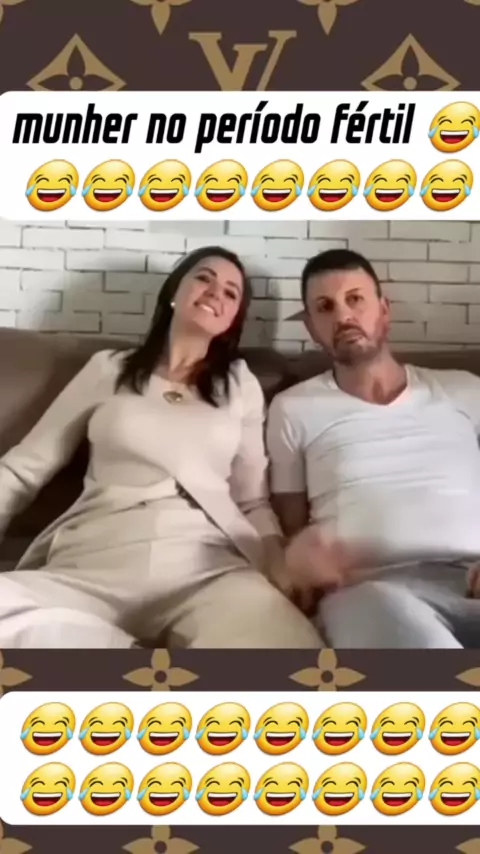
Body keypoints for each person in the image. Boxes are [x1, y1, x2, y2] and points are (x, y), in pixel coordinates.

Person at [0, 245, 322, 650]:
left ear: (232, 319)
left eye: (230, 292)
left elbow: (253, 501)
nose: (215, 292)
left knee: (286, 647)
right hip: (94, 560)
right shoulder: (108, 368)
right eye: (204, 278)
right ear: (174, 292)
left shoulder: (240, 385)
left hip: (205, 569)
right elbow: (23, 469)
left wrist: (278, 564)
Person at [266, 248, 480, 648]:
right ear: (311, 327)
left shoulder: (465, 390)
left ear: (384, 309)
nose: (343, 316)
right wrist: (299, 559)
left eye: (355, 299)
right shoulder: (292, 408)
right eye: (325, 307)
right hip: (370, 590)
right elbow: (290, 526)